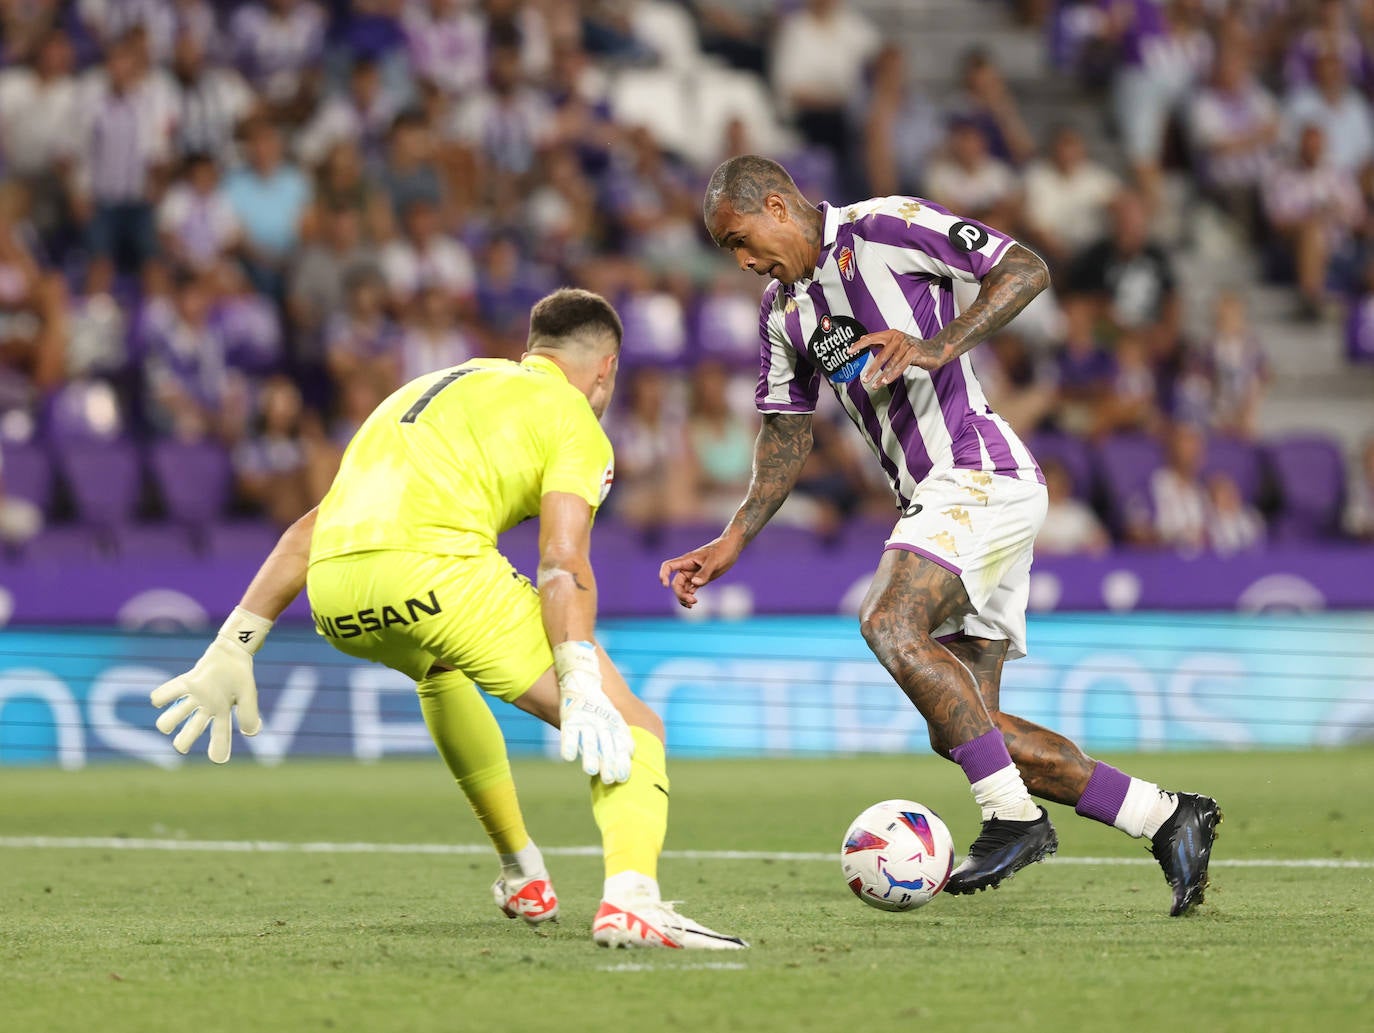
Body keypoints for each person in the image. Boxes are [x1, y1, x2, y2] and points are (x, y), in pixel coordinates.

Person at [662, 155, 1220, 915]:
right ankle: (1164, 814)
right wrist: (732, 538)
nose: (742, 260)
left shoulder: (887, 225)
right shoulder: (782, 313)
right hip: (940, 497)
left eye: (738, 238)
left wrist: (941, 341)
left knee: (888, 620)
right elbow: (785, 436)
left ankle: (1013, 817)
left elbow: (1025, 268)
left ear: (776, 204)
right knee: (963, 723)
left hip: (978, 472)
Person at [149, 288, 747, 951]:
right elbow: (562, 558)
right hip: (435, 573)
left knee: (438, 664)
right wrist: (577, 673)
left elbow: (315, 527)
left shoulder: (426, 388)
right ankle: (634, 901)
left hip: (336, 591)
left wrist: (234, 642)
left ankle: (522, 869)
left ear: (530, 350)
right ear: (605, 367)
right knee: (633, 726)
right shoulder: (574, 419)